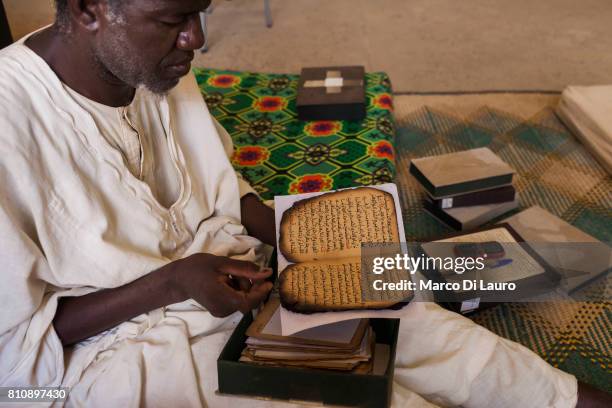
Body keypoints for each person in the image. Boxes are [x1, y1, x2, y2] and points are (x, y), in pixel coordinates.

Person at [0, 0, 606, 406]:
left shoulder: (155, 65)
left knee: (422, 326)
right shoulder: (10, 122)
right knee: (367, 391)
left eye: (201, 12)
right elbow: (12, 365)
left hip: (226, 276)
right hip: (95, 361)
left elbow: (216, 190)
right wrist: (174, 283)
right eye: (173, 19)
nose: (198, 40)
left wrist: (312, 242)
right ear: (86, 9)